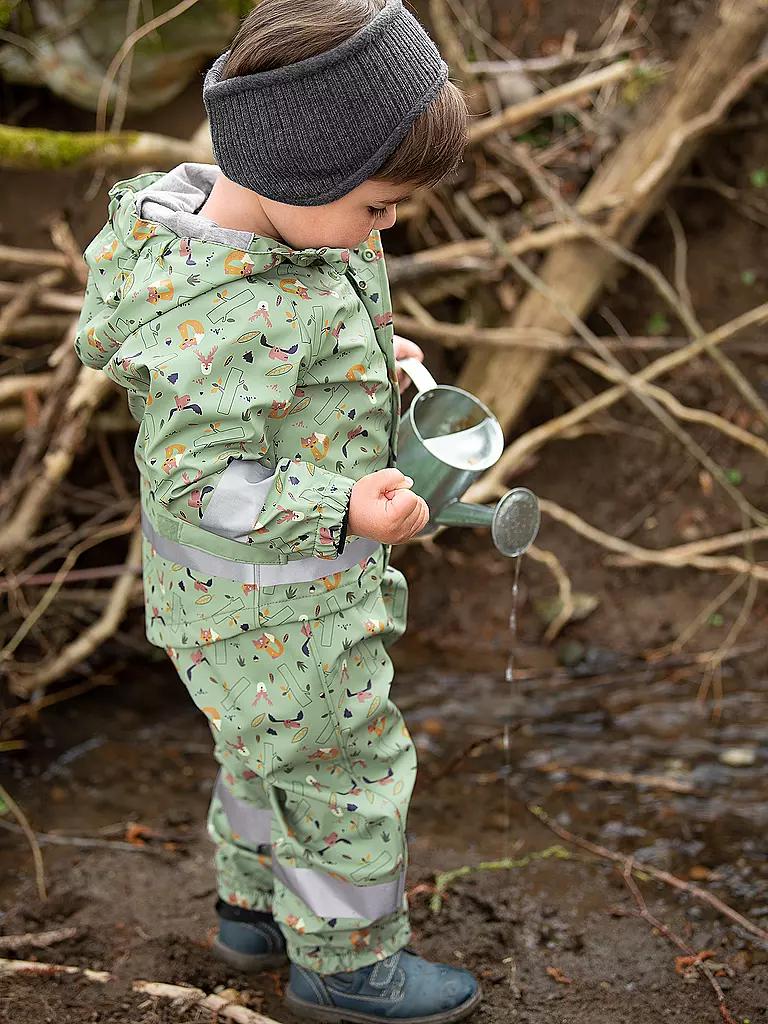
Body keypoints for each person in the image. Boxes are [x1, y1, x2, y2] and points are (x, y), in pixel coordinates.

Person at [75, 2, 478, 1021]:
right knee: (346, 765)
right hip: (280, 596)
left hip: (225, 608)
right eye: (380, 208)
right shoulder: (222, 309)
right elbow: (201, 477)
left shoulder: (262, 246)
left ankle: (253, 912)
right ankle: (347, 964)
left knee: (263, 746)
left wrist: (358, 365)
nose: (387, 229)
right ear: (303, 173)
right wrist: (344, 503)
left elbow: (283, 342)